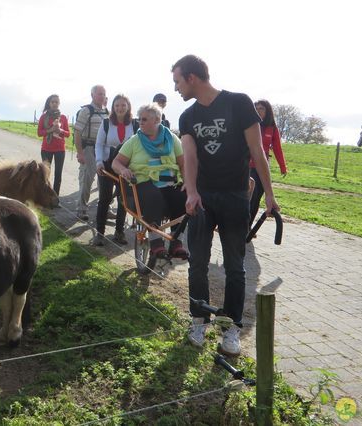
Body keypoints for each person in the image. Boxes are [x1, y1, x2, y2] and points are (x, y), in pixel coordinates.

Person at [171, 54, 280, 356]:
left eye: (178, 81)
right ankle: (198, 320)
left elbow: (257, 151)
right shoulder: (187, 117)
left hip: (235, 195)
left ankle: (231, 327)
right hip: (203, 198)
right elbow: (190, 157)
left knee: (235, 266)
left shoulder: (239, 103)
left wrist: (269, 195)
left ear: (192, 77)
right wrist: (191, 192)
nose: (176, 88)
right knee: (197, 262)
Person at [111, 103, 188, 265]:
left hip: (169, 182)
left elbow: (183, 163)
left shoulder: (172, 138)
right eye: (140, 119)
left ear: (157, 120)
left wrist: (187, 182)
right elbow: (116, 163)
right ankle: (156, 244)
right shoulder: (134, 141)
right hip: (143, 183)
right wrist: (123, 170)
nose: (141, 122)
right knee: (154, 196)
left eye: (145, 119)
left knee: (183, 196)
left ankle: (176, 243)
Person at [92, 94, 135, 246]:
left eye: (123, 105)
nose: (120, 108)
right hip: (107, 165)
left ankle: (119, 232)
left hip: (125, 166)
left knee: (123, 200)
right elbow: (98, 144)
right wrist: (98, 162)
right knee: (104, 198)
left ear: (128, 106)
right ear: (113, 107)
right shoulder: (106, 123)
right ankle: (100, 233)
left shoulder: (134, 125)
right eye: (117, 105)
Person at [249, 99, 287, 228]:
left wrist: (283, 166)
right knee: (247, 196)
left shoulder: (272, 128)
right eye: (256, 108)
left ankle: (247, 227)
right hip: (247, 166)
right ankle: (235, 225)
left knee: (256, 198)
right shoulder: (250, 125)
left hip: (262, 168)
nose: (258, 111)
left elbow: (277, 148)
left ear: (267, 111)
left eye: (262, 108)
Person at [74, 85, 109, 220]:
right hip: (88, 147)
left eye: (103, 94)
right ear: (92, 95)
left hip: (103, 149)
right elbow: (77, 132)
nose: (102, 96)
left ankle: (105, 208)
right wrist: (80, 153)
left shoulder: (106, 111)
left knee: (104, 180)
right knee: (87, 178)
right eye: (99, 94)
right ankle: (81, 209)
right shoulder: (86, 111)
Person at [37, 94, 70, 195]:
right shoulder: (43, 117)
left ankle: (55, 197)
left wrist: (60, 130)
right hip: (46, 149)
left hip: (60, 149)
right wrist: (50, 130)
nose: (55, 104)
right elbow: (39, 133)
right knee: (46, 174)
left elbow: (68, 134)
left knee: (58, 174)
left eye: (56, 102)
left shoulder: (63, 117)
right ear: (49, 103)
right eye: (53, 102)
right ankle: (45, 196)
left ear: (59, 103)